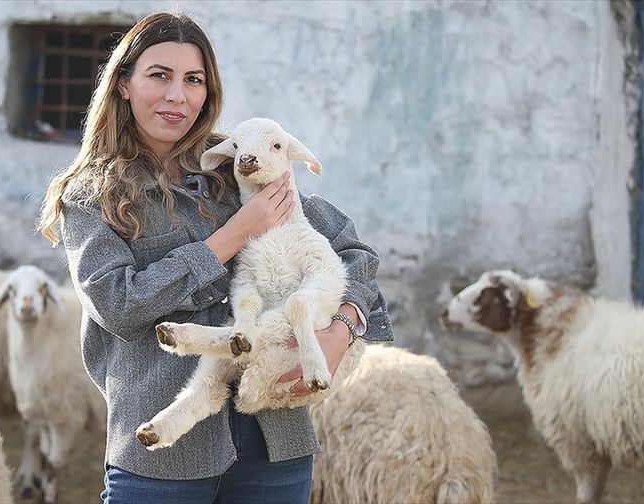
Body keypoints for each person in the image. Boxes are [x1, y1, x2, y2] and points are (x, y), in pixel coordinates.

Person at [36, 11, 393, 504]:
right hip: (162, 455)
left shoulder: (242, 164)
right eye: (159, 75)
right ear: (123, 83)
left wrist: (343, 327)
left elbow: (351, 252)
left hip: (276, 443)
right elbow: (119, 306)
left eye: (194, 80)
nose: (176, 95)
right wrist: (231, 236)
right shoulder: (90, 196)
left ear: (209, 91)